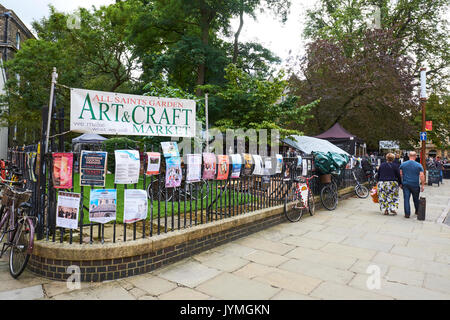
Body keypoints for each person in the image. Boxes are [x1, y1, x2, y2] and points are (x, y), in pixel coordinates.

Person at [399, 151, 425, 218]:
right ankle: (417, 210)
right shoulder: (419, 165)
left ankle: (407, 213)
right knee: (416, 199)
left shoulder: (403, 164)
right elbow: (421, 176)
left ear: (409, 156)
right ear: (415, 156)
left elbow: (400, 174)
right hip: (415, 184)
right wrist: (422, 185)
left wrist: (401, 183)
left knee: (406, 199)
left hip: (406, 184)